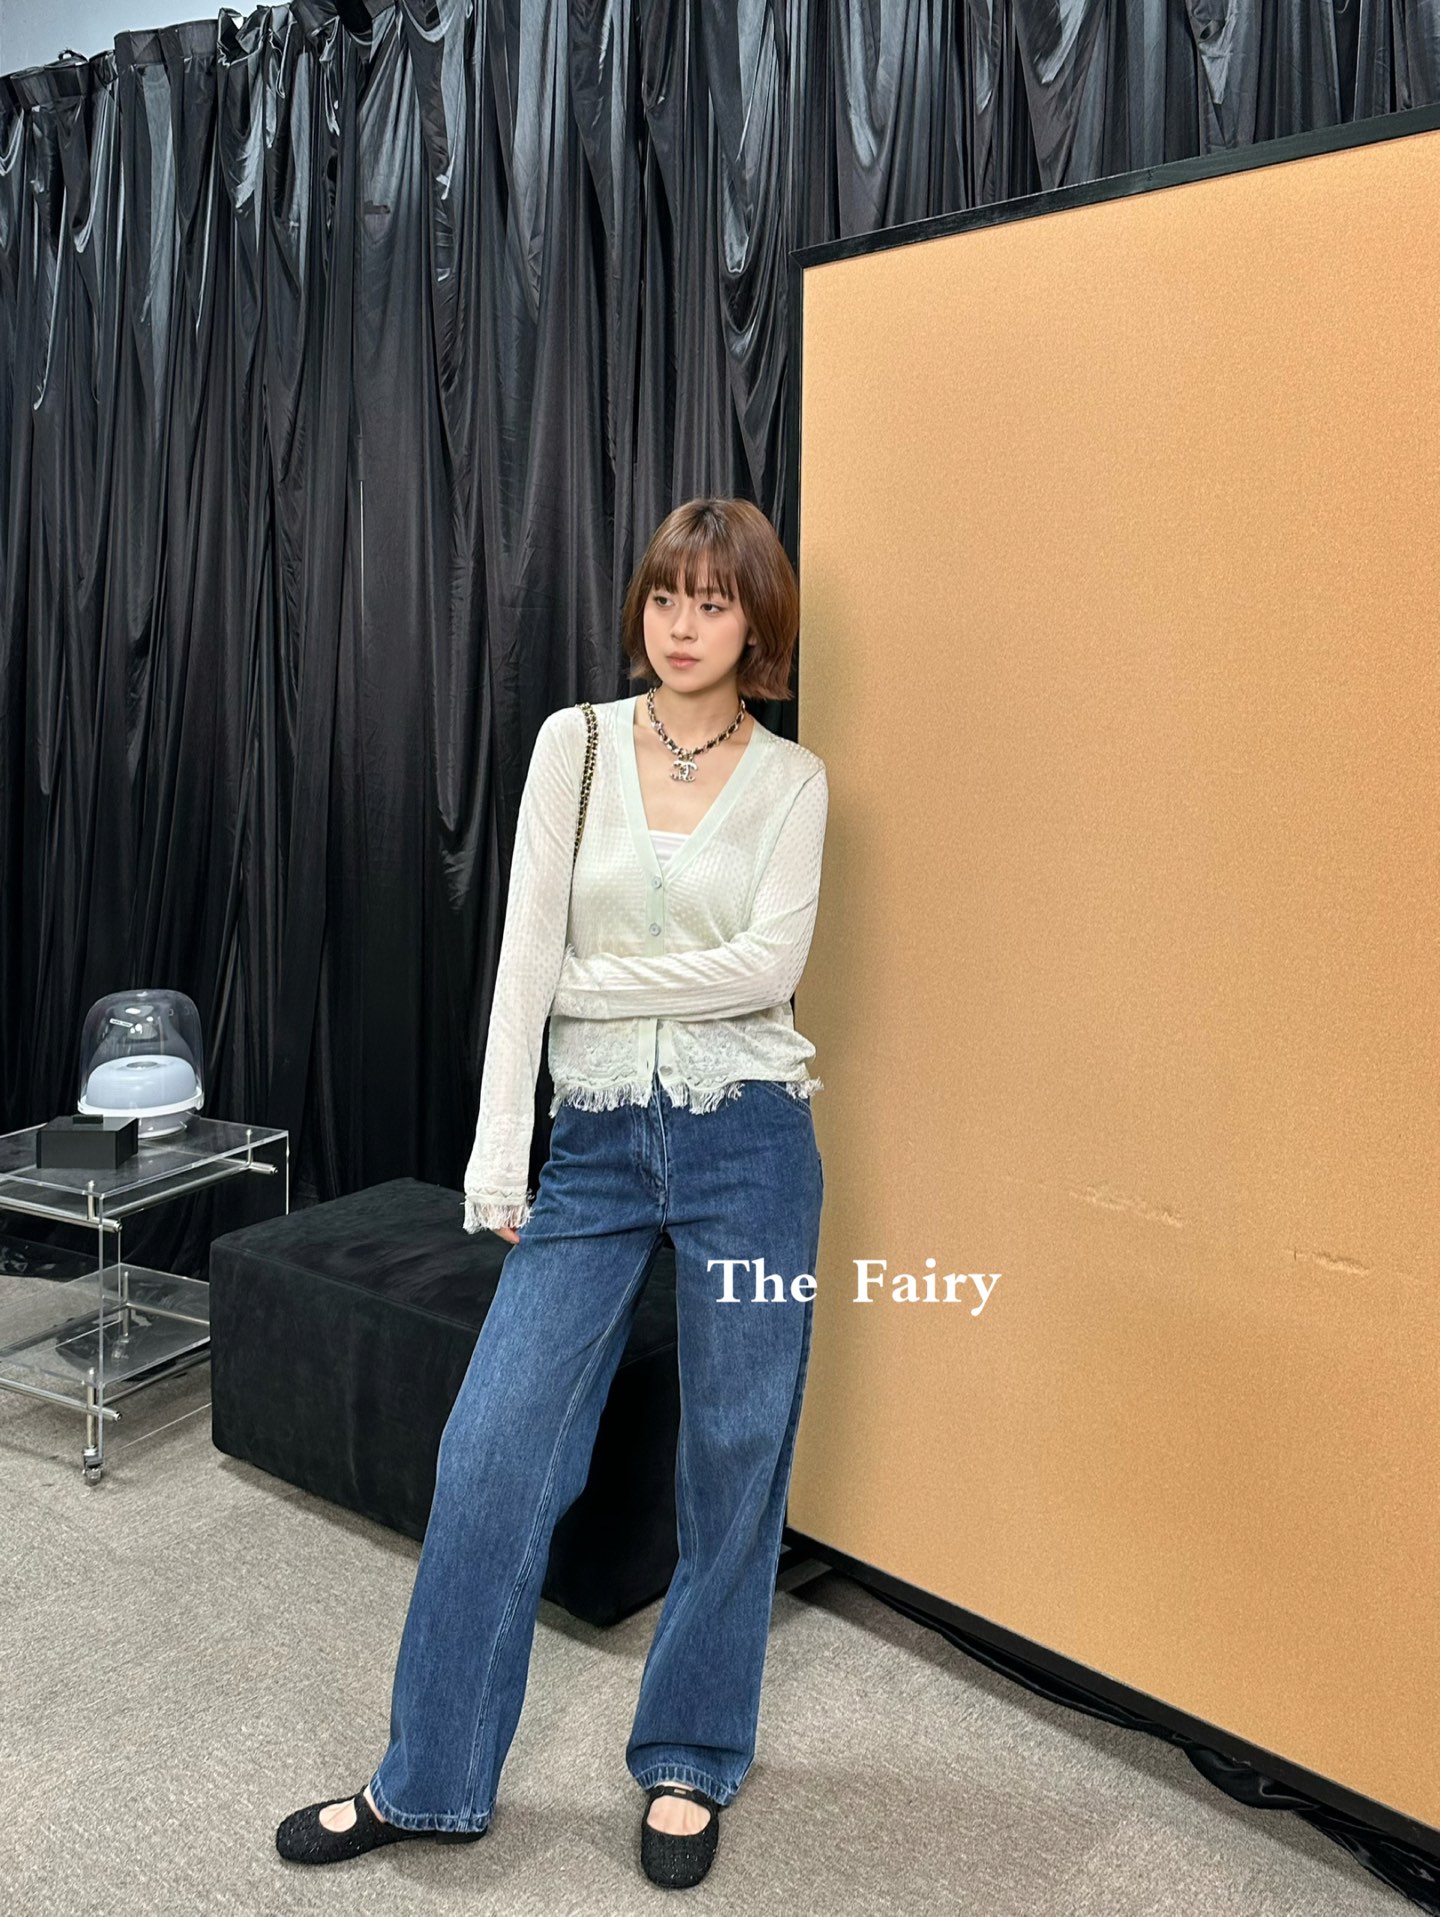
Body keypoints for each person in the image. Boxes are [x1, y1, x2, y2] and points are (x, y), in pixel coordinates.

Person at [276, 496, 830, 1890]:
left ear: (756, 622)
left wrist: (591, 982)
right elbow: (526, 952)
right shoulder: (572, 746)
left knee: (736, 1452)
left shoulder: (795, 783)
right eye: (666, 595)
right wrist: (496, 1153)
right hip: (591, 1146)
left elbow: (766, 971)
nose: (682, 624)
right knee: (493, 1450)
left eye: (713, 601)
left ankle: (692, 1752)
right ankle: (429, 1778)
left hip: (752, 1143)